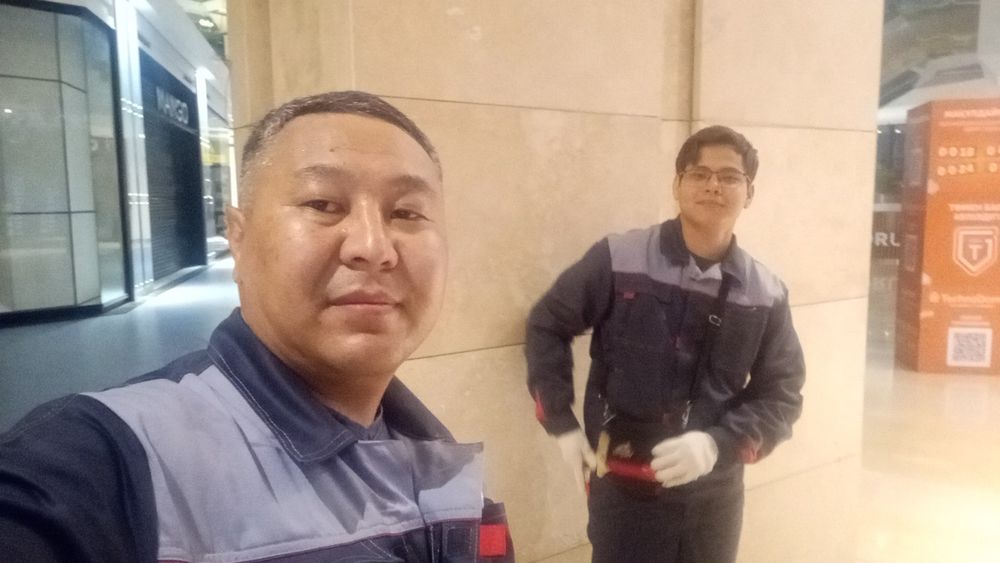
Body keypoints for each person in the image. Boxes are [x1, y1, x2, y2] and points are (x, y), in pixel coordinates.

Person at [0, 91, 513, 562]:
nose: (373, 247)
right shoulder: (105, 463)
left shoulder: (435, 454)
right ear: (238, 239)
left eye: (406, 212)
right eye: (322, 204)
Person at [525, 125, 806, 562]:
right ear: (677, 184)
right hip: (624, 489)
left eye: (729, 177)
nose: (713, 185)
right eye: (699, 174)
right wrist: (561, 423)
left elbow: (782, 393)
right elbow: (547, 324)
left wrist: (716, 445)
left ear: (749, 193)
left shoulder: (764, 292)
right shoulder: (621, 259)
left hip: (714, 497)